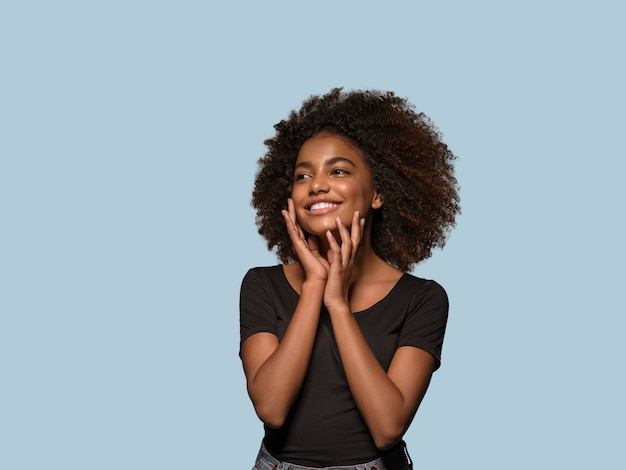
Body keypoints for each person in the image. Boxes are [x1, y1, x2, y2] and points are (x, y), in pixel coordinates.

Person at [239, 88, 460, 470]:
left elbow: (388, 426)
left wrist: (338, 304)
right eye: (302, 174)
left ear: (377, 192)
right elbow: (271, 408)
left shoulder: (422, 299)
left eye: (337, 170)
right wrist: (314, 287)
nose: (316, 184)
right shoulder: (261, 285)